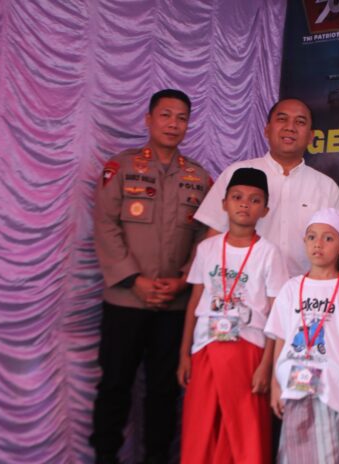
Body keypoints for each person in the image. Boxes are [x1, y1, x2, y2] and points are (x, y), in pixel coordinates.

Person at [91, 89, 212, 464]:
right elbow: (105, 225)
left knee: (164, 391)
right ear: (148, 119)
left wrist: (183, 280)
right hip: (126, 300)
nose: (173, 124)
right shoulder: (121, 167)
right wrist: (134, 280)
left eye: (181, 118)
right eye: (166, 115)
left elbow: (205, 237)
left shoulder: (198, 177)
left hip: (174, 305)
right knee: (115, 384)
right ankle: (105, 457)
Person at [177, 167, 289, 463]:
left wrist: (267, 366)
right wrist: (184, 354)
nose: (244, 204)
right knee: (201, 430)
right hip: (205, 347)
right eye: (237, 197)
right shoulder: (207, 249)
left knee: (243, 435)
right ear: (224, 203)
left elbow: (277, 315)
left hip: (249, 352)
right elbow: (195, 302)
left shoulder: (269, 253)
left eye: (254, 200)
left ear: (265, 210)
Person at [193, 98, 339, 277]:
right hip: (243, 286)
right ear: (267, 130)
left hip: (302, 289)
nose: (290, 127)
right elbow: (214, 234)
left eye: (300, 122)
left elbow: (338, 249)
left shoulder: (327, 187)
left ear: (311, 136)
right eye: (282, 119)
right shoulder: (237, 174)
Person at [265, 208, 339, 463]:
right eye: (312, 237)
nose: (318, 244)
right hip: (294, 382)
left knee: (330, 451)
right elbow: (280, 337)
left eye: (328, 238)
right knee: (294, 450)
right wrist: (275, 385)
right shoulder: (291, 287)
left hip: (333, 384)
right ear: (304, 241)